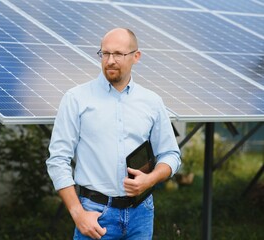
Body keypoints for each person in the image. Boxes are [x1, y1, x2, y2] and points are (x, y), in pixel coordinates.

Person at [46, 28, 181, 239]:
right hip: (95, 214)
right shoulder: (76, 99)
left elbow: (171, 154)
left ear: (136, 56)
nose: (110, 60)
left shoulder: (152, 102)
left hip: (141, 214)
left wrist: (150, 179)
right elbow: (57, 160)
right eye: (105, 53)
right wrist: (78, 214)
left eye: (118, 54)